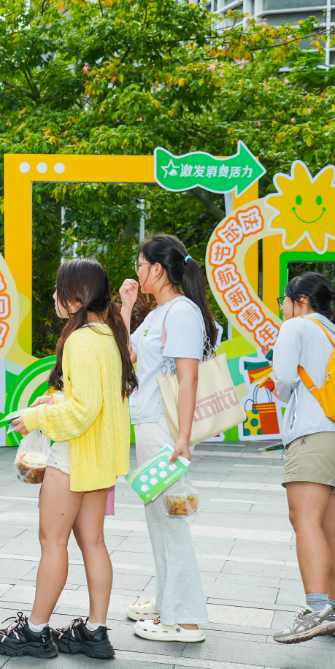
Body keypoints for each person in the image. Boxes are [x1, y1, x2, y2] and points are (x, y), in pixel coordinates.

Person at [0, 259, 135, 659]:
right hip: (100, 460)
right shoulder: (108, 337)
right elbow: (95, 401)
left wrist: (32, 417)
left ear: (75, 299)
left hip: (73, 457)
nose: (54, 296)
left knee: (52, 542)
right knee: (94, 543)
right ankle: (94, 631)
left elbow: (82, 411)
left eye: (58, 290)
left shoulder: (80, 341)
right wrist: (57, 399)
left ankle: (35, 632)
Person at [119, 234, 219, 643]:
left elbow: (189, 375)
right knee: (160, 520)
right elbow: (128, 360)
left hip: (163, 429)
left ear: (158, 269)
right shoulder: (161, 312)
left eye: (141, 265)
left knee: (170, 521)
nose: (138, 272)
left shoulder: (180, 312)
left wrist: (183, 437)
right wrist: (125, 309)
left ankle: (188, 621)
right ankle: (168, 603)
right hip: (150, 425)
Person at [270, 272, 335, 643]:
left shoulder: (296, 328)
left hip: (314, 436)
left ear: (302, 300)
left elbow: (281, 379)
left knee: (304, 520)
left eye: (284, 299)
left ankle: (316, 609)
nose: (282, 306)